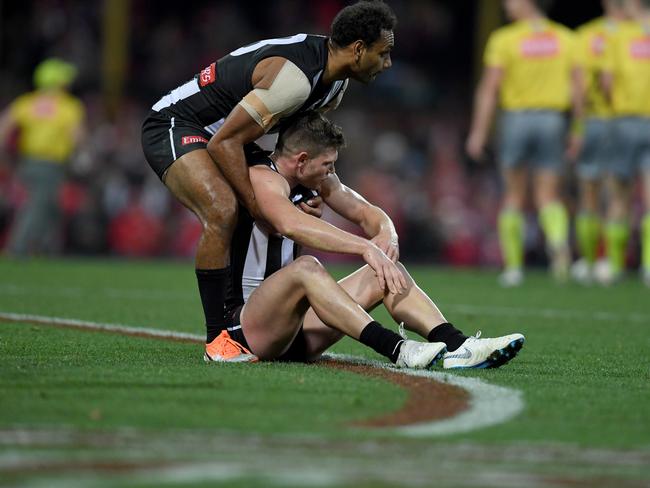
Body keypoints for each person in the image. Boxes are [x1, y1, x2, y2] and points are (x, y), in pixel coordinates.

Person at [141, 1, 397, 360]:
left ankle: (252, 318)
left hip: (227, 136)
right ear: (358, 50)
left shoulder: (334, 84)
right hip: (177, 124)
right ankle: (218, 340)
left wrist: (305, 193)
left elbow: (295, 150)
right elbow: (225, 141)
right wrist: (259, 208)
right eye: (383, 53)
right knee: (223, 209)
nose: (387, 63)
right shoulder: (293, 80)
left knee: (265, 202)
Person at [210, 111, 525, 369]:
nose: (331, 173)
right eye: (327, 165)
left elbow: (364, 211)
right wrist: (365, 246)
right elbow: (289, 224)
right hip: (249, 327)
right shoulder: (262, 177)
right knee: (306, 268)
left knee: (384, 270)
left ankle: (461, 346)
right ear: (301, 160)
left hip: (297, 328)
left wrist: (387, 232)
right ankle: (397, 349)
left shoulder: (313, 176)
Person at [466, 0, 584, 287]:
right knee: (548, 194)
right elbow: (579, 88)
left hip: (517, 120)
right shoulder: (566, 38)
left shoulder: (504, 38)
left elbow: (490, 88)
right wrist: (578, 128)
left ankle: (514, 267)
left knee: (513, 195)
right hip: (553, 120)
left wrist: (478, 131)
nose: (507, 5)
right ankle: (558, 245)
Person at [0, 58, 85, 256]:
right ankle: (17, 248)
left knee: (50, 206)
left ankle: (45, 249)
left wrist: (6, 156)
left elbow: (4, 126)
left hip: (27, 162)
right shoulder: (69, 106)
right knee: (38, 205)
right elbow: (78, 137)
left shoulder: (27, 102)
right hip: (52, 165)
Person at [571, 0, 626, 285]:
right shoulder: (639, 33)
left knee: (589, 192)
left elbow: (581, 85)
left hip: (594, 121)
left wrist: (578, 126)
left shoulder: (588, 35)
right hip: (628, 120)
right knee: (619, 194)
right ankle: (613, 263)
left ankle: (590, 262)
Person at [600, 0, 650, 286]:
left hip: (625, 120)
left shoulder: (619, 35)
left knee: (619, 194)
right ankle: (647, 266)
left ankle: (615, 265)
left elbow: (607, 82)